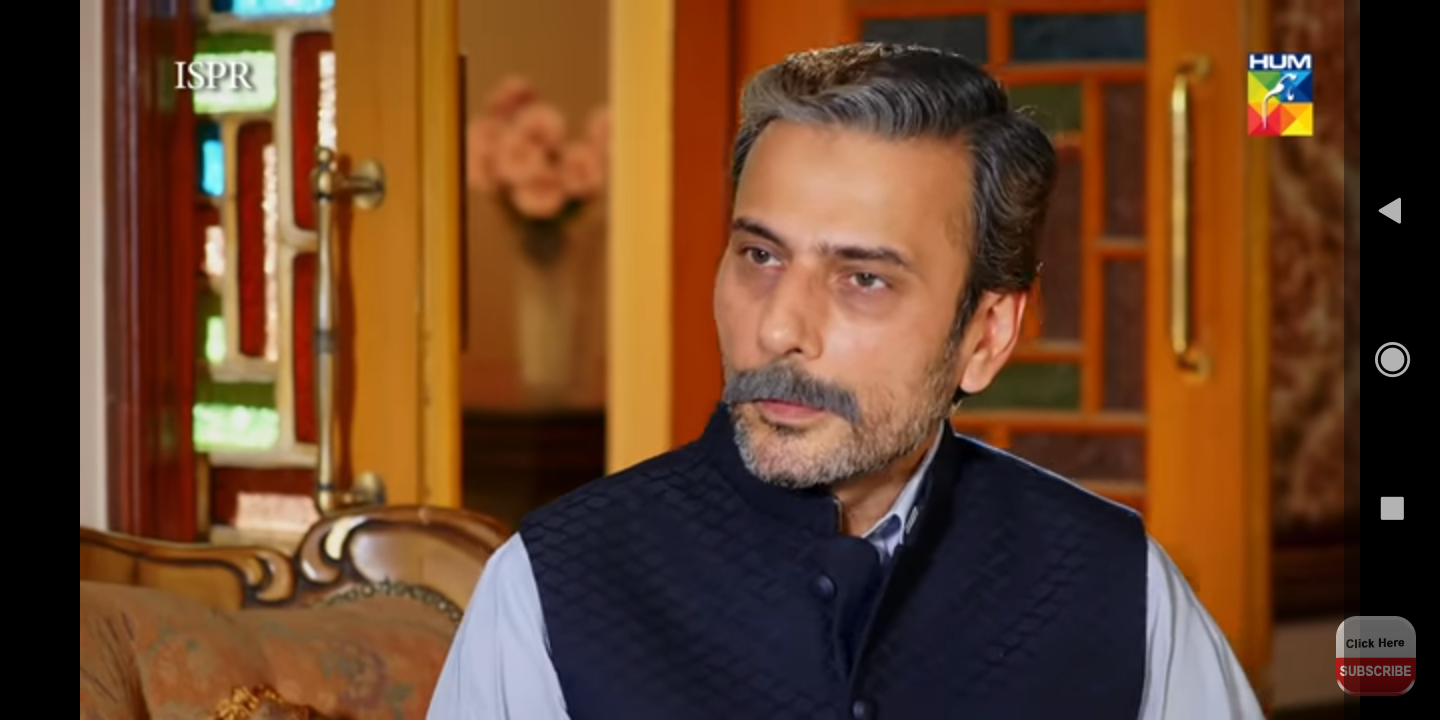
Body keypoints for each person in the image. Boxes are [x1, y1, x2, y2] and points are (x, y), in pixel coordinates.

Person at [428, 43, 1263, 719]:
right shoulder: (553, 586)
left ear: (985, 336)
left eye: (863, 278)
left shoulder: (1117, 587)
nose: (778, 329)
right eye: (760, 256)